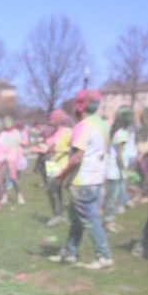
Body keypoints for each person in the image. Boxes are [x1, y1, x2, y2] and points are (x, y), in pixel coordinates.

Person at [50, 89, 114, 270]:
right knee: (77, 219)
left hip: (83, 180)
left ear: (79, 106)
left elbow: (77, 157)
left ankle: (104, 256)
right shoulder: (102, 125)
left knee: (89, 219)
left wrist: (61, 176)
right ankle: (69, 252)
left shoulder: (83, 126)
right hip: (95, 178)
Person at [103, 107, 134, 232]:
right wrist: (125, 169)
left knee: (114, 197)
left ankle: (110, 220)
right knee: (112, 198)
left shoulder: (119, 132)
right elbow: (119, 155)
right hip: (115, 171)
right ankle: (108, 221)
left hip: (116, 170)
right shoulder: (121, 133)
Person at [40, 109, 73, 226]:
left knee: (55, 189)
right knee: (53, 190)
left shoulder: (68, 131)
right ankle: (58, 214)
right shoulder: (53, 131)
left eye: (53, 118)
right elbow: (48, 144)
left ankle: (60, 215)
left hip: (62, 164)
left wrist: (59, 150)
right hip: (51, 163)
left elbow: (73, 148)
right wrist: (45, 147)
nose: (50, 121)